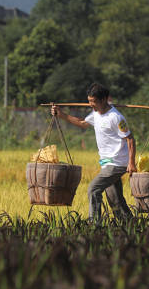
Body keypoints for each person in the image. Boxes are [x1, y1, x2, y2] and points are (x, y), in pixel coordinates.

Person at [51, 83, 136, 220]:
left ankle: (94, 224)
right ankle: (130, 224)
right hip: (106, 162)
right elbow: (82, 123)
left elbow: (130, 139)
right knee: (115, 199)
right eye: (89, 101)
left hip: (117, 163)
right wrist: (61, 115)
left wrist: (131, 163)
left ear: (104, 100)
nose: (91, 105)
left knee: (93, 188)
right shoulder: (95, 114)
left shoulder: (116, 117)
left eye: (94, 102)